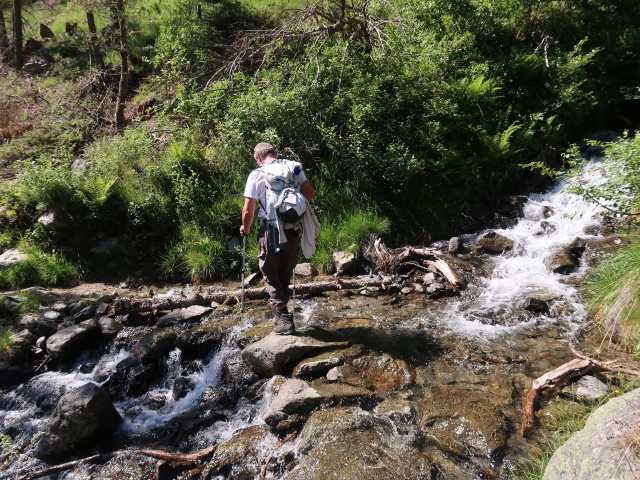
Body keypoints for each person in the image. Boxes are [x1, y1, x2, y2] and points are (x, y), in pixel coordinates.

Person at [240, 142, 315, 334]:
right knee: (285, 268)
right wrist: (295, 213)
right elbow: (309, 192)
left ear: (258, 158)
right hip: (293, 228)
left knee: (269, 270)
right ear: (274, 154)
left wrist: (245, 229)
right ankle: (283, 312)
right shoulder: (293, 167)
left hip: (271, 229)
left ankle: (282, 317)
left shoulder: (257, 174)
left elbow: (248, 209)